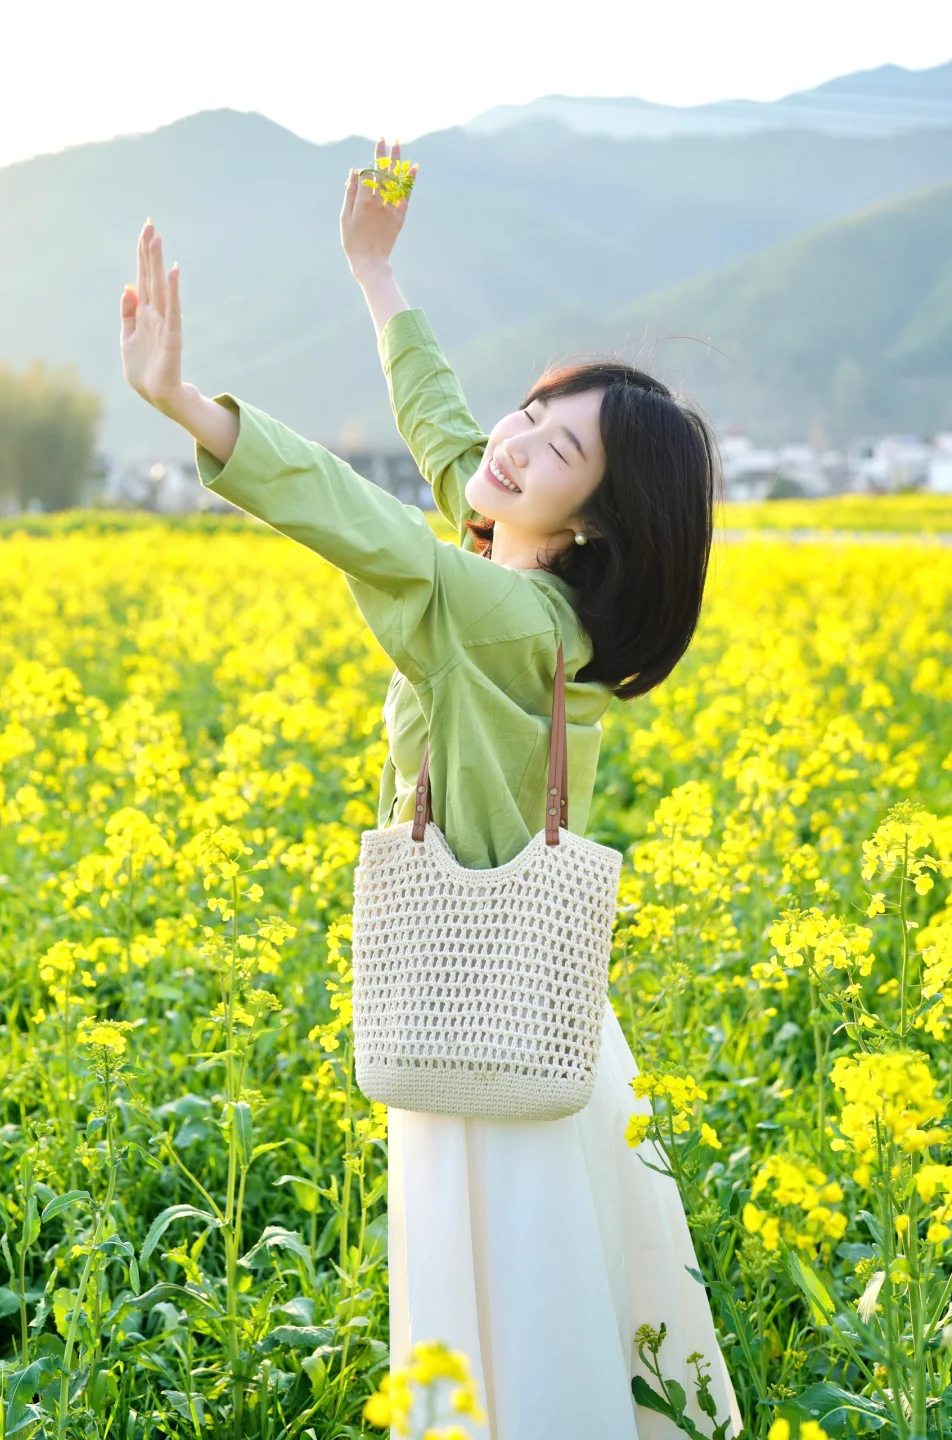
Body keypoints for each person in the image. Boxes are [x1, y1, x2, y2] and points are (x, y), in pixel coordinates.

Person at [120, 140, 741, 1440]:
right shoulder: (521, 553)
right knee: (557, 1308)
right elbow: (449, 436)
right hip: (528, 1000)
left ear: (591, 521)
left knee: (521, 1315)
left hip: (488, 1021)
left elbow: (365, 521)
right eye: (532, 413)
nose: (510, 448)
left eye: (553, 448)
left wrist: (191, 409)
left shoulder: (513, 616)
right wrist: (373, 272)